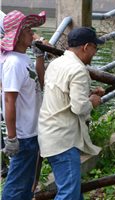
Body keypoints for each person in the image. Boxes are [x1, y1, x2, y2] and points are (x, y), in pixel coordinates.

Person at [37, 27, 105, 199]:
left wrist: (89, 96)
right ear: (86, 46)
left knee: (73, 191)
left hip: (49, 134)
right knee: (69, 194)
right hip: (63, 141)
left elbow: (66, 99)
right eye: (95, 48)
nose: (95, 53)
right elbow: (79, 108)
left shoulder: (55, 63)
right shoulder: (78, 70)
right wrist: (93, 102)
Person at [1, 10, 46, 199]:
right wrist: (12, 137)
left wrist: (39, 56)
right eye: (27, 29)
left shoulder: (24, 59)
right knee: (14, 187)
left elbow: (39, 85)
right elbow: (9, 100)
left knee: (28, 184)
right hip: (23, 136)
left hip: (32, 131)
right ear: (17, 34)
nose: (32, 33)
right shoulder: (13, 63)